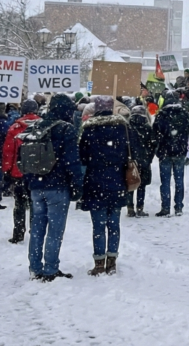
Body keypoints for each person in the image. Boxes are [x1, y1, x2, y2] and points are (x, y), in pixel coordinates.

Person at [21, 94, 82, 281]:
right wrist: (77, 184)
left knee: (37, 228)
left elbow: (24, 157)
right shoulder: (66, 129)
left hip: (36, 185)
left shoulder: (36, 126)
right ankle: (50, 269)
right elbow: (72, 161)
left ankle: (34, 267)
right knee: (55, 230)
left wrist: (28, 182)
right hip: (57, 185)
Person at [79, 96, 132, 276]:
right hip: (117, 181)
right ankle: (112, 261)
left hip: (95, 182)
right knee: (114, 224)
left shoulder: (89, 130)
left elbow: (82, 157)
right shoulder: (122, 128)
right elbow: (130, 153)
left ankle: (99, 262)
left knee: (98, 225)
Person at [2, 99, 41, 244]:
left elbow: (8, 152)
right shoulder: (43, 126)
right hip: (37, 172)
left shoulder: (15, 127)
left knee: (19, 203)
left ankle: (18, 232)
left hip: (18, 172)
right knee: (35, 203)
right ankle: (35, 230)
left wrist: (7, 170)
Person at [153, 91, 189, 217]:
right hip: (180, 151)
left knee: (165, 182)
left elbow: (155, 131)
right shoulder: (184, 113)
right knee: (179, 181)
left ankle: (165, 207)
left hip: (165, 151)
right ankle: (179, 207)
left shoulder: (161, 114)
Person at [126, 106, 158, 217]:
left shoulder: (127, 127)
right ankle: (140, 208)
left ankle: (130, 208)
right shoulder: (148, 127)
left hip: (130, 160)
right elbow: (153, 144)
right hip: (144, 160)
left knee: (130, 183)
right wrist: (149, 158)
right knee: (142, 185)